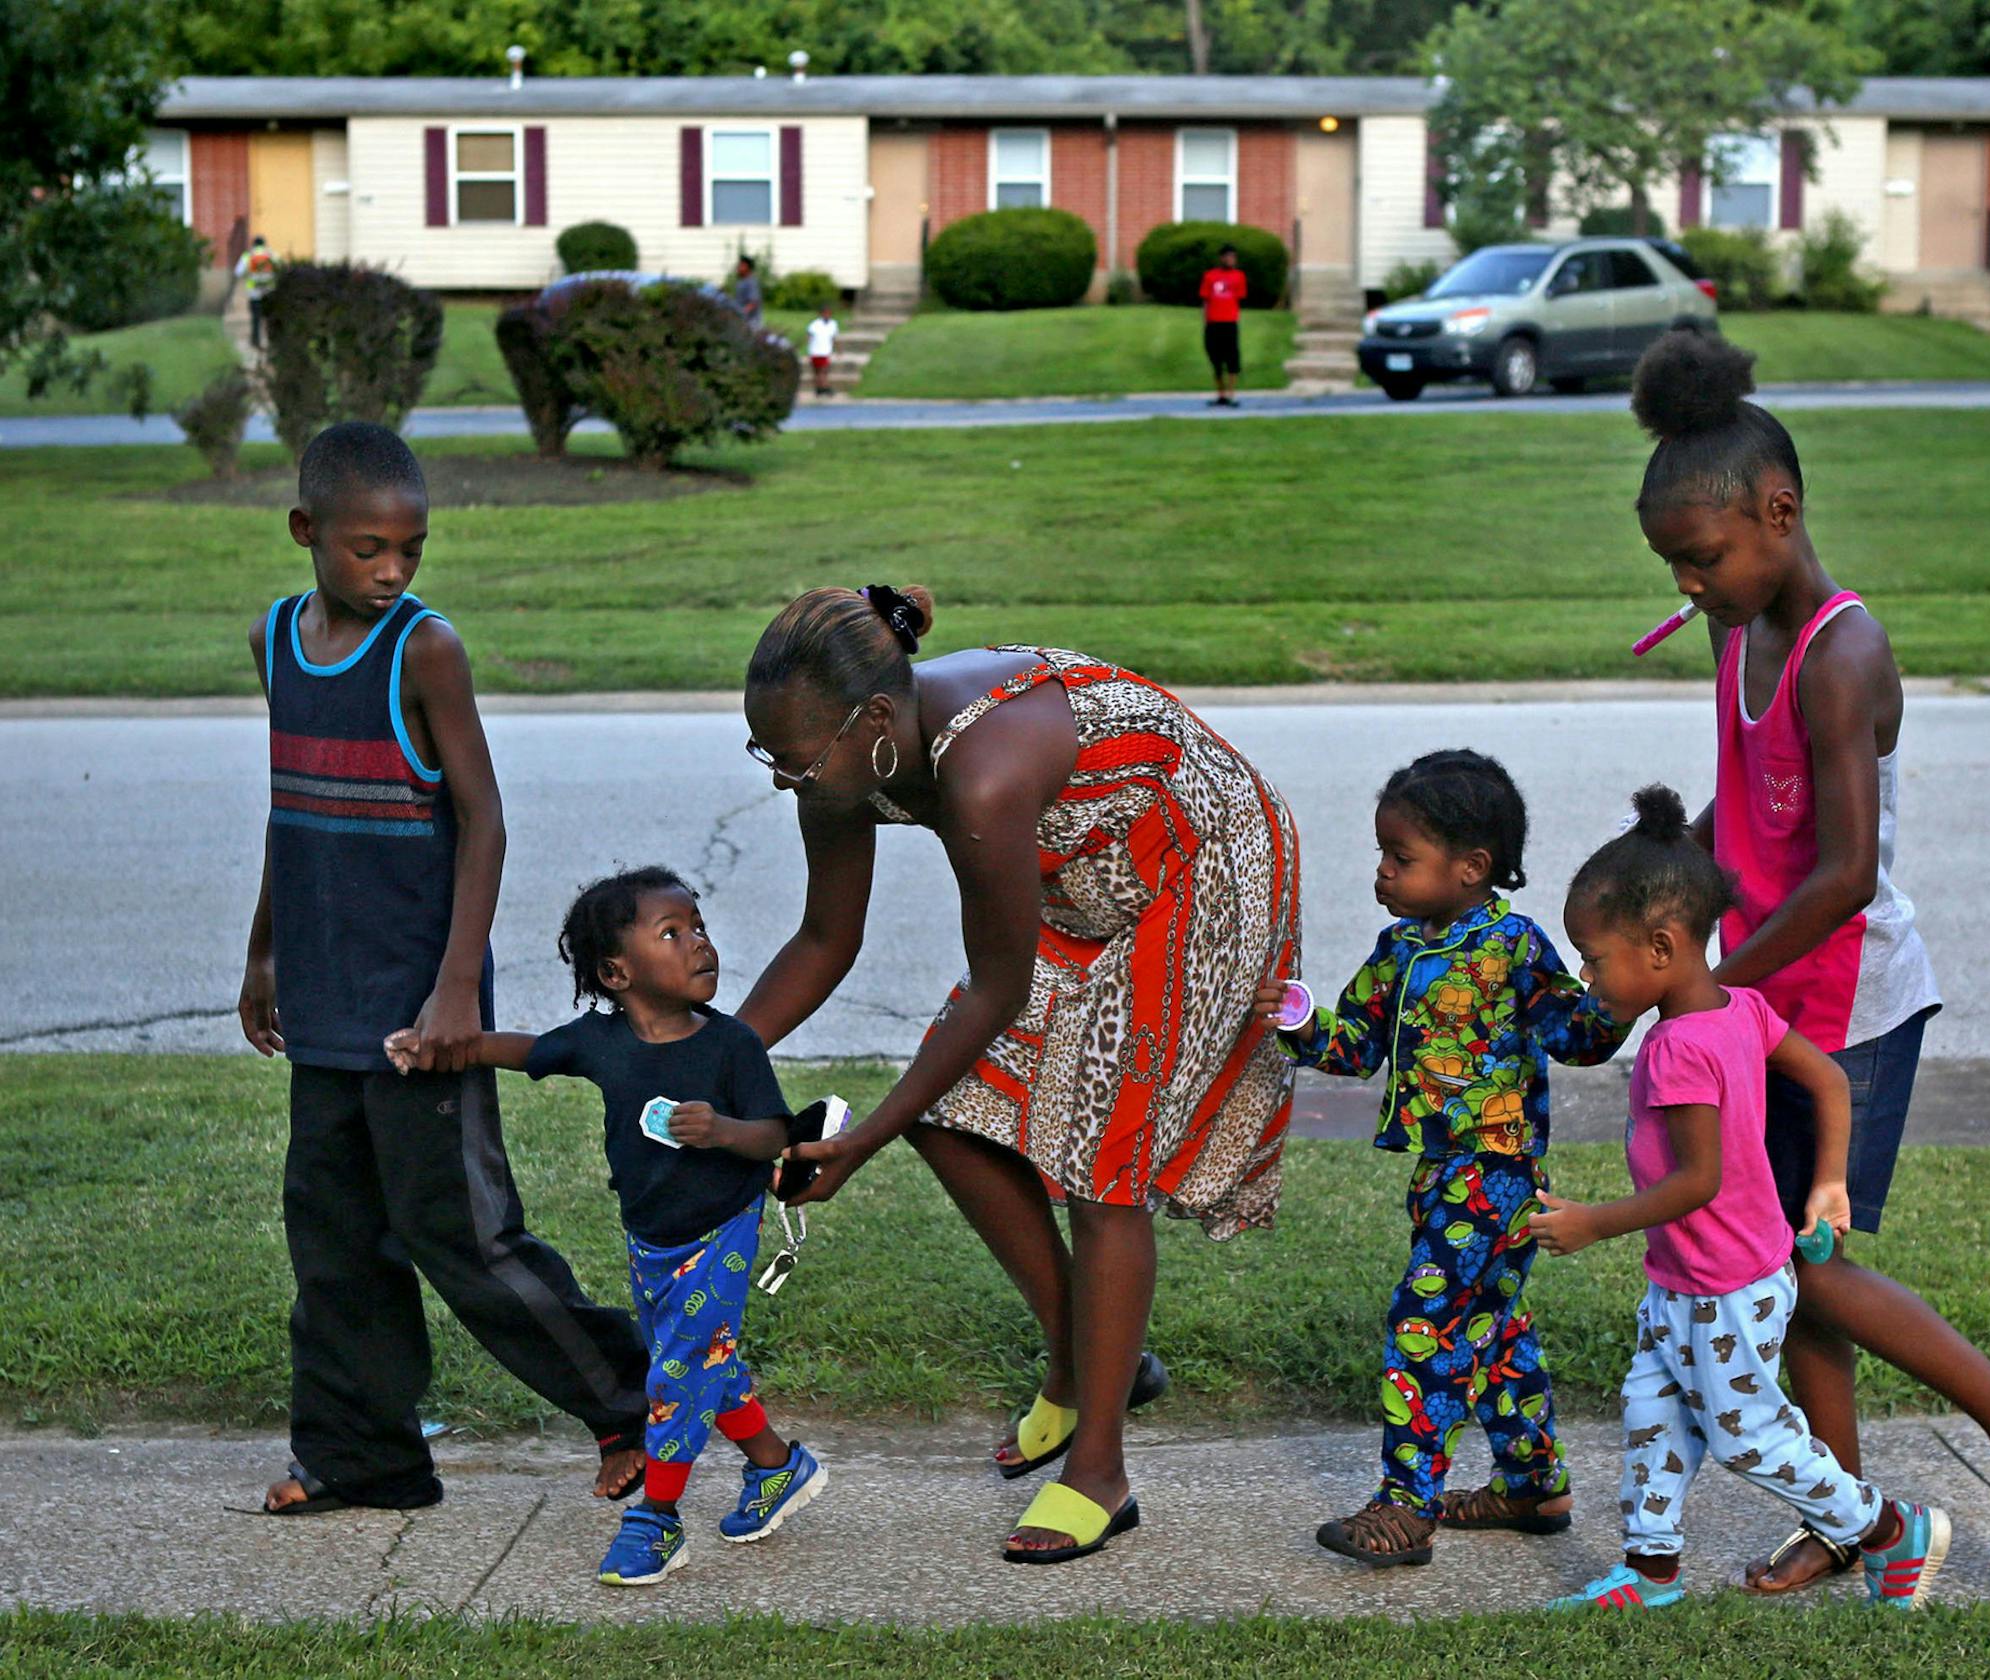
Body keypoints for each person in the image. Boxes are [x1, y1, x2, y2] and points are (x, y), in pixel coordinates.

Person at [1629, 330, 1990, 1593]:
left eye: (1705, 557)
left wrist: (1704, 986)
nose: (1691, 584)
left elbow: (1839, 872)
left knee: (1803, 1267)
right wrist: (1667, 900)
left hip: (1847, 1003)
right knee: (1785, 1270)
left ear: (1780, 511)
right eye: (1674, 563)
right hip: (1762, 997)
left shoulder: (1843, 653)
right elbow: (1740, 814)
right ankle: (1846, 1514)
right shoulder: (1737, 635)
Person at [737, 585, 1299, 1564]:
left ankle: (1102, 1474)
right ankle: (1091, 1369)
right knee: (946, 1113)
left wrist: (860, 1139)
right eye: (768, 757)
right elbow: (826, 938)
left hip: (1197, 863)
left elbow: (997, 988)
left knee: (1102, 1167)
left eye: (796, 758)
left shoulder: (982, 773)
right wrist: (711, 1060)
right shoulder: (841, 766)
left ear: (874, 722)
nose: (785, 780)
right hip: (1075, 872)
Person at [239, 421, 649, 1518]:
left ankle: (632, 1403)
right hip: (323, 1004)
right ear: (306, 534)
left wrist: (459, 984)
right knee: (332, 1243)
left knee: (462, 1234)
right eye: (368, 549)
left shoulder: (425, 649)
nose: (391, 570)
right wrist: (263, 950)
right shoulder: (276, 641)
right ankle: (361, 1458)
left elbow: (484, 817)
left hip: (421, 1010)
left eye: (410, 550)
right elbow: (289, 812)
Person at [1531, 785, 1951, 1612]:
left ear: (1659, 946)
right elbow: (1829, 1079)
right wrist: (1828, 1180)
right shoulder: (1740, 1010)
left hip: (1727, 1288)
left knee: (1746, 1434)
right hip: (1694, 1278)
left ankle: (1886, 1530)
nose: (1585, 976)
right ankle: (1651, 1576)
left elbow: (1699, 1181)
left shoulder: (1678, 1049)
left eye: (1593, 956)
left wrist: (1591, 1224)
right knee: (1654, 1415)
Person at [386, 867, 829, 1585]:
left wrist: (721, 1131)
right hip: (652, 1240)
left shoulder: (731, 1046)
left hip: (722, 1228)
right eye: (672, 933)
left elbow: (773, 1135)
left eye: (699, 927)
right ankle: (778, 1467)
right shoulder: (602, 1042)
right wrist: (447, 1048)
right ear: (617, 972)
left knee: (677, 1371)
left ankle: (656, 1520)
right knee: (704, 1361)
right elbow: (529, 1052)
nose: (700, 944)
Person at [1257, 749, 1626, 1567]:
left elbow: (1577, 1037)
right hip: (1441, 1177)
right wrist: (1297, 1016)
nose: (1382, 873)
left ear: (1471, 868)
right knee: (1490, 1330)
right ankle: (1534, 1485)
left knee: (1424, 1326)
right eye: (1382, 855)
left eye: (1401, 857)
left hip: (1495, 1173)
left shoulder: (1516, 946)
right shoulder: (1397, 952)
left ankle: (1406, 1506)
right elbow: (1353, 1048)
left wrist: (1621, 994)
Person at [1200, 244, 1246, 408]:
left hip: (1229, 323)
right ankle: (1221, 394)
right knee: (1216, 360)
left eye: (1233, 257)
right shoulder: (1210, 276)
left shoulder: (1239, 276)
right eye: (1227, 256)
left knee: (1232, 359)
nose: (1230, 260)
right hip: (1213, 323)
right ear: (1221, 258)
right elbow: (1205, 300)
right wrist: (1205, 321)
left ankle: (1232, 394)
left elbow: (1238, 299)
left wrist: (1235, 318)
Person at [234, 234, 277, 349]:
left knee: (256, 319)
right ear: (264, 244)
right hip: (268, 292)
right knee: (269, 318)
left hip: (254, 292)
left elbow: (238, 272)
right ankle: (272, 341)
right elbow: (280, 267)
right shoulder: (270, 254)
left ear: (253, 244)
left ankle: (255, 341)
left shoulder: (248, 255)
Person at [804, 304, 839, 397]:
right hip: (815, 351)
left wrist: (838, 349)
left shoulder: (833, 324)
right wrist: (808, 348)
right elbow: (809, 336)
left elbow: (834, 338)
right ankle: (822, 388)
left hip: (825, 351)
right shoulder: (814, 324)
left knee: (823, 371)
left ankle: (823, 387)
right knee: (817, 371)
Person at [732, 255, 764, 329]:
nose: (738, 267)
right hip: (742, 320)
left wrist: (740, 313)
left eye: (740, 265)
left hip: (752, 323)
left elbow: (753, 303)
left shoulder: (751, 282)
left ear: (746, 267)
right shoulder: (741, 281)